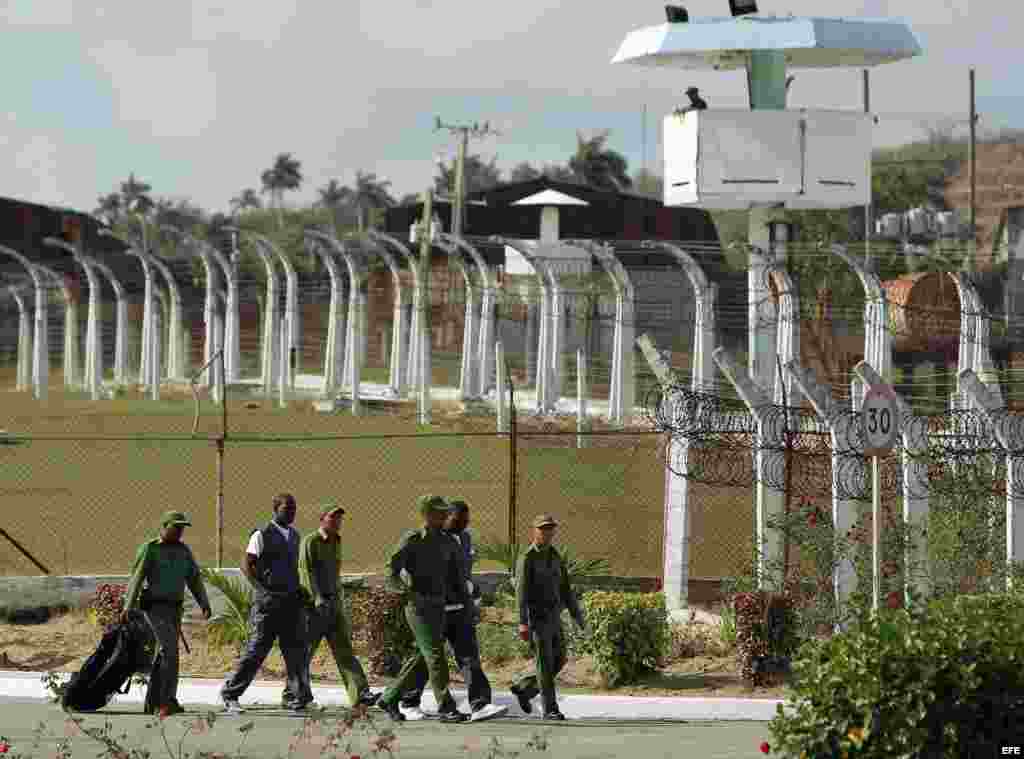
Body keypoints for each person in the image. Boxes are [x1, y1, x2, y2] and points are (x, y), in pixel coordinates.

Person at [397, 498, 508, 723]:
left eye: (466, 521)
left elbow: (463, 573)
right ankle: (407, 701)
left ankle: (480, 704)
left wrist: (472, 595)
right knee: (427, 660)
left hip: (459, 609)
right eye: (458, 520)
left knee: (469, 657)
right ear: (446, 518)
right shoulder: (432, 541)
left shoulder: (465, 539)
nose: (463, 524)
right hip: (434, 610)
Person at [375, 495, 472, 724]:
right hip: (418, 608)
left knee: (421, 656)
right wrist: (404, 591)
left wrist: (467, 602)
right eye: (439, 512)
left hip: (439, 606)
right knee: (436, 657)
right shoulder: (413, 539)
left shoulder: (448, 542)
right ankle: (446, 708)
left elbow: (457, 577)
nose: (444, 515)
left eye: (445, 512)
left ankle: (389, 698)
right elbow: (391, 568)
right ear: (427, 514)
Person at [220, 493, 308, 714]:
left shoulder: (295, 536)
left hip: (290, 603)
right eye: (287, 508)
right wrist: (262, 590)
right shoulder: (262, 533)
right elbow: (247, 564)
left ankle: (295, 697)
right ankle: (230, 694)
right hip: (268, 604)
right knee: (257, 650)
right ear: (276, 509)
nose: (291, 512)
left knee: (295, 652)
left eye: (294, 508)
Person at [123, 511, 213, 717]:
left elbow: (194, 579)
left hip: (175, 609)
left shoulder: (183, 551)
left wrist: (204, 603)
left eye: (182, 528)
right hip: (154, 609)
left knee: (168, 654)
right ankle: (163, 702)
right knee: (169, 650)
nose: (180, 531)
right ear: (164, 526)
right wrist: (127, 606)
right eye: (176, 527)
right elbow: (136, 578)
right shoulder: (150, 549)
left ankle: (161, 700)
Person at [295, 504, 379, 709]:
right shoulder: (311, 541)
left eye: (340, 518)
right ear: (322, 519)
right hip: (315, 607)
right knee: (304, 653)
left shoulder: (337, 541)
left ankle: (360, 694)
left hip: (334, 605)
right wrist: (316, 600)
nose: (338, 522)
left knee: (345, 651)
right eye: (333, 518)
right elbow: (306, 572)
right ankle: (296, 695)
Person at [510, 514, 588, 721]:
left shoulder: (555, 556)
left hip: (554, 617)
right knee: (544, 663)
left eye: (550, 528)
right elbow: (521, 593)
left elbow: (565, 588)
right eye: (542, 528)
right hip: (537, 618)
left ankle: (525, 689)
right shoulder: (527, 558)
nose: (546, 532)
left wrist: (576, 614)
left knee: (560, 659)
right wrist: (522, 623)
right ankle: (550, 709)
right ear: (534, 531)